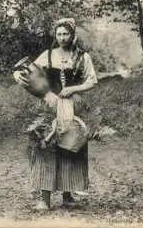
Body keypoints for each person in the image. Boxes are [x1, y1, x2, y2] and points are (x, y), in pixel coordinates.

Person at [13, 17, 98, 210]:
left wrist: (73, 89)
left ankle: (68, 196)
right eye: (59, 34)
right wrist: (18, 76)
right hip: (50, 104)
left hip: (73, 105)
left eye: (66, 34)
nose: (62, 38)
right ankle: (44, 198)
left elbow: (92, 81)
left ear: (72, 35)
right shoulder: (48, 55)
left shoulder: (82, 57)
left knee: (71, 145)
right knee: (46, 146)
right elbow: (25, 70)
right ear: (55, 35)